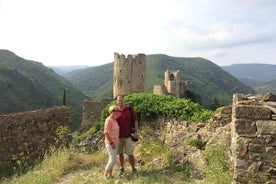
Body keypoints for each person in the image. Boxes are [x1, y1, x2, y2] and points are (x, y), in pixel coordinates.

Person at [115, 95, 139, 175]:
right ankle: (121, 168)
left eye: (121, 100)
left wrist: (136, 131)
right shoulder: (116, 111)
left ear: (123, 100)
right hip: (118, 137)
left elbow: (135, 121)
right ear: (117, 102)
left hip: (128, 136)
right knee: (120, 153)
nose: (120, 102)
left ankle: (133, 168)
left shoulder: (129, 110)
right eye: (118, 101)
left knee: (130, 153)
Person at [103, 105, 120, 179]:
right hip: (111, 143)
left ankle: (110, 175)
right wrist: (111, 143)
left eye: (117, 110)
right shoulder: (108, 120)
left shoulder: (114, 119)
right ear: (110, 111)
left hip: (116, 142)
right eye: (114, 110)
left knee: (112, 158)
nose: (116, 112)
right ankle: (105, 173)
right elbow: (106, 132)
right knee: (113, 159)